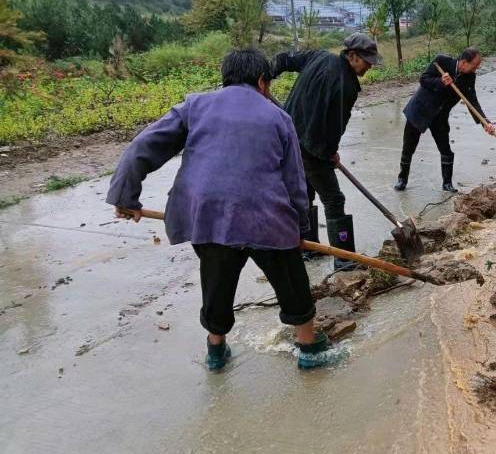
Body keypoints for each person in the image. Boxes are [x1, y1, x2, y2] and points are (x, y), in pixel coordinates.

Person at [106, 49, 336, 372]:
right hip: (266, 219)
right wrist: (299, 229)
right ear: (262, 82)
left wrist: (125, 196)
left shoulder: (194, 106)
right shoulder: (279, 118)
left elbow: (141, 147)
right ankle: (309, 348)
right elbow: (296, 183)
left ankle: (216, 354)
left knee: (216, 280)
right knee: (292, 280)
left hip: (208, 218)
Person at [273, 33, 380, 272]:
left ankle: (309, 247)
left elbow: (283, 60)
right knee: (334, 199)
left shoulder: (317, 56)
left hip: (288, 139)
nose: (369, 67)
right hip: (313, 149)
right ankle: (344, 258)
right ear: (352, 56)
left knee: (306, 192)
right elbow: (335, 125)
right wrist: (331, 152)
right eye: (367, 61)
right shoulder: (348, 85)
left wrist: (265, 79)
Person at [395, 48, 495, 193]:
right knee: (408, 147)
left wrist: (485, 121)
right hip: (420, 110)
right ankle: (402, 179)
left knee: (445, 149)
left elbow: (471, 100)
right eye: (474, 66)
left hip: (440, 116)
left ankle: (447, 183)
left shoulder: (469, 77)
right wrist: (440, 81)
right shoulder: (442, 61)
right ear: (463, 62)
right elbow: (424, 79)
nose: (476, 69)